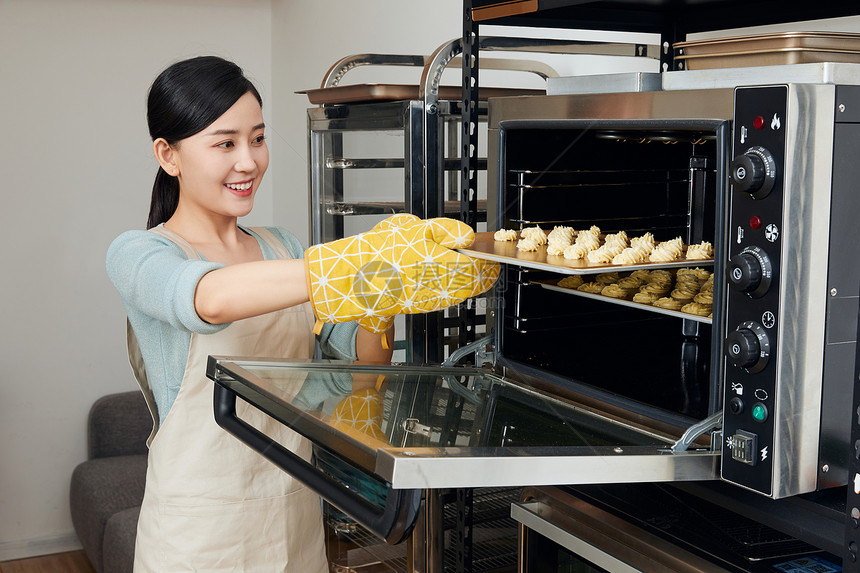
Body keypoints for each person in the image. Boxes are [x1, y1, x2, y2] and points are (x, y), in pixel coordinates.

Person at [106, 55, 497, 572]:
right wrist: (358, 262)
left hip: (293, 513)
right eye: (224, 143)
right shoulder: (140, 254)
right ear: (169, 155)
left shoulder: (282, 248)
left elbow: (355, 376)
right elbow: (208, 299)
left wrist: (379, 300)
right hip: (198, 533)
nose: (248, 161)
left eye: (258, 138)